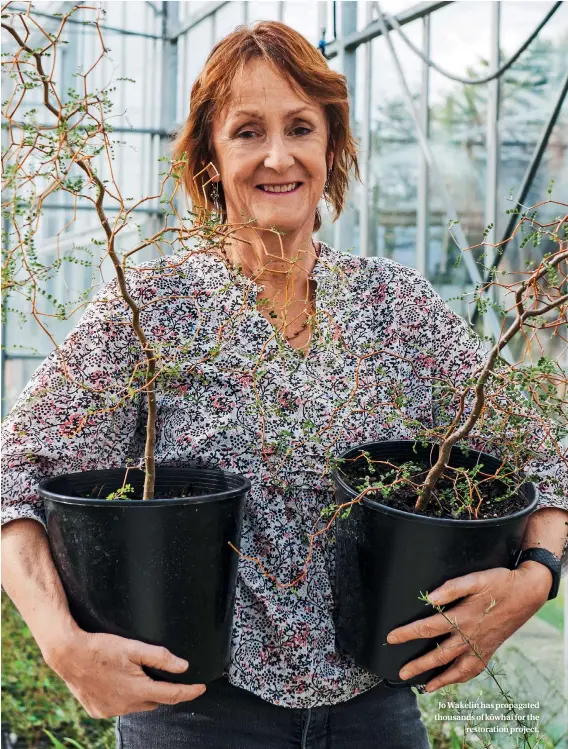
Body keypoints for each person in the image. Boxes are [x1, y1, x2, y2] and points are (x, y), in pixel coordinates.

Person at [2, 21, 567, 749]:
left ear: (331, 150)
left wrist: (535, 577)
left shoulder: (395, 307)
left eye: (301, 126)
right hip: (193, 712)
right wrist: (61, 641)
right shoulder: (151, 309)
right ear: (209, 156)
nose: (278, 155)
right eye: (246, 131)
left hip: (375, 712)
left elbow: (543, 458)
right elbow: (16, 474)